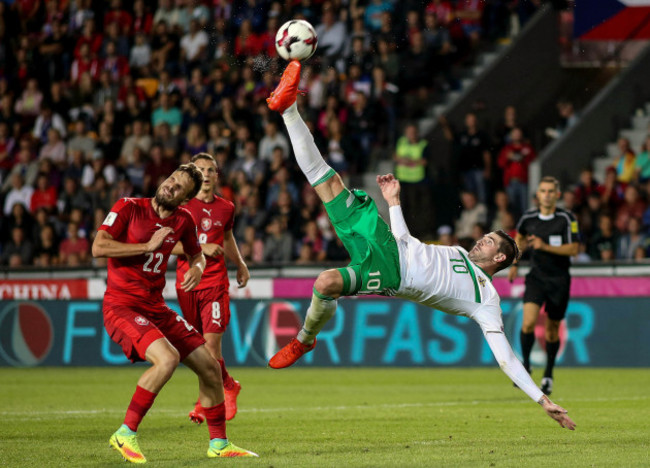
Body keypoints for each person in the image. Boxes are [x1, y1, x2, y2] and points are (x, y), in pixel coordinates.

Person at [265, 60, 576, 431]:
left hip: (391, 272)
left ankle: (303, 339)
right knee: (327, 183)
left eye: (489, 240)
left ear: (500, 257)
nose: (480, 239)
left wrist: (541, 399)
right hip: (390, 246)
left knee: (324, 283)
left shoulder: (485, 299)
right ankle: (288, 110)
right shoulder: (457, 252)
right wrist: (394, 202)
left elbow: (505, 356)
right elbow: (409, 243)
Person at [92, 163, 257, 463]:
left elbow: (196, 254)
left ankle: (219, 444)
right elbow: (98, 247)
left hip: (156, 307)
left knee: (210, 366)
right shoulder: (129, 207)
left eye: (179, 187)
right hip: (122, 305)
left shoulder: (183, 220)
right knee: (167, 359)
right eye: (171, 179)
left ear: (184, 200)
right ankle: (125, 433)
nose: (170, 186)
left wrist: (196, 268)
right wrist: (146, 246)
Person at [172, 153, 250, 423]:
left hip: (215, 282)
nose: (205, 174)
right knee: (198, 350)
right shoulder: (180, 207)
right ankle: (228, 384)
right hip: (187, 283)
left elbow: (227, 237)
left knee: (212, 347)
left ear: (217, 176)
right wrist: (199, 248)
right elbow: (166, 244)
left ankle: (203, 403)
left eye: (210, 169)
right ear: (192, 174)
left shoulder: (226, 207)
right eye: (200, 169)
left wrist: (239, 263)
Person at [508, 176, 579, 396]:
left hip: (558, 280)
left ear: (557, 195)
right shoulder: (528, 218)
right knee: (528, 322)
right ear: (537, 195)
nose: (547, 195)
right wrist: (515, 262)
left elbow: (574, 249)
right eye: (543, 191)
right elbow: (519, 238)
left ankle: (548, 374)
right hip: (536, 278)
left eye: (551, 191)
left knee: (550, 331)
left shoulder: (567, 219)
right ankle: (526, 367)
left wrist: (544, 246)